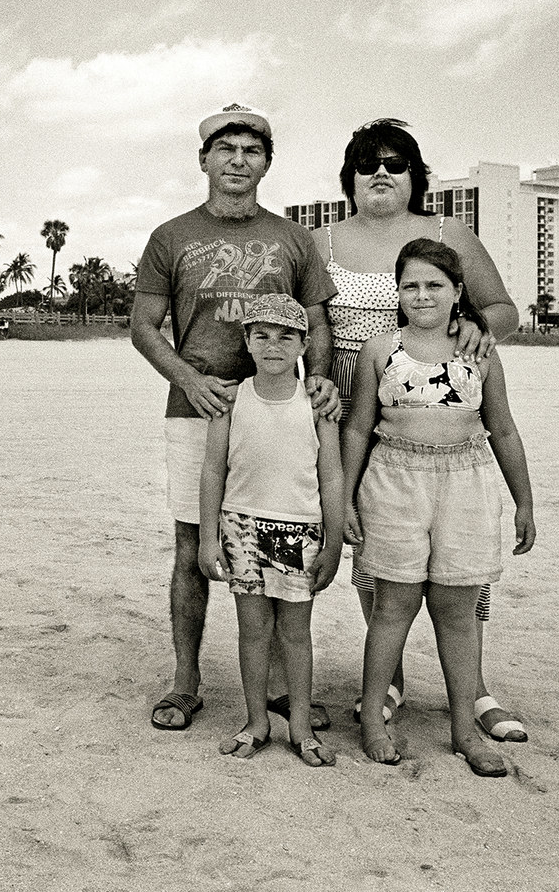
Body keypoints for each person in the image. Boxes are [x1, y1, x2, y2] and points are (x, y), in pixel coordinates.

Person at [316, 119, 527, 742]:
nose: (382, 173)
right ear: (350, 177)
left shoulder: (448, 233)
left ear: (416, 177)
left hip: (435, 399)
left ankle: (477, 686)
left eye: (396, 163)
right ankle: (391, 680)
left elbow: (502, 309)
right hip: (353, 405)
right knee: (375, 552)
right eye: (368, 163)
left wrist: (475, 329)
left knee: (459, 563)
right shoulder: (319, 239)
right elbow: (312, 325)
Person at [131, 104, 338, 734]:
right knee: (194, 547)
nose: (238, 162)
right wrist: (190, 380)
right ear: (204, 160)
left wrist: (318, 382)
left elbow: (319, 320)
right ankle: (186, 681)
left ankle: (277, 687)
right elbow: (143, 325)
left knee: (278, 539)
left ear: (266, 164)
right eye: (226, 151)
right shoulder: (171, 237)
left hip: (277, 411)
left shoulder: (294, 238)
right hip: (197, 409)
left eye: (252, 151)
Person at [342, 240, 536, 777]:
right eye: (410, 285)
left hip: (466, 483)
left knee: (457, 612)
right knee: (392, 607)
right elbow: (359, 426)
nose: (422, 295)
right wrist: (346, 498)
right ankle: (375, 722)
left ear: (457, 294)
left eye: (435, 285)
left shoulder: (479, 351)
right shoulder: (381, 351)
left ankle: (462, 731)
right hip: (394, 482)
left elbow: (503, 426)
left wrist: (524, 500)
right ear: (397, 294)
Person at [198, 295, 343, 765]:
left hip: (298, 530)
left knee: (296, 634)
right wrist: (206, 538)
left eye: (286, 337)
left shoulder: (317, 406)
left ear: (304, 344)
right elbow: (213, 471)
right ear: (247, 341)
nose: (273, 346)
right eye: (262, 335)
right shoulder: (231, 400)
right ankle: (256, 721)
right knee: (253, 630)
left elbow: (332, 475)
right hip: (240, 526)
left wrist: (334, 540)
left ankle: (300, 725)